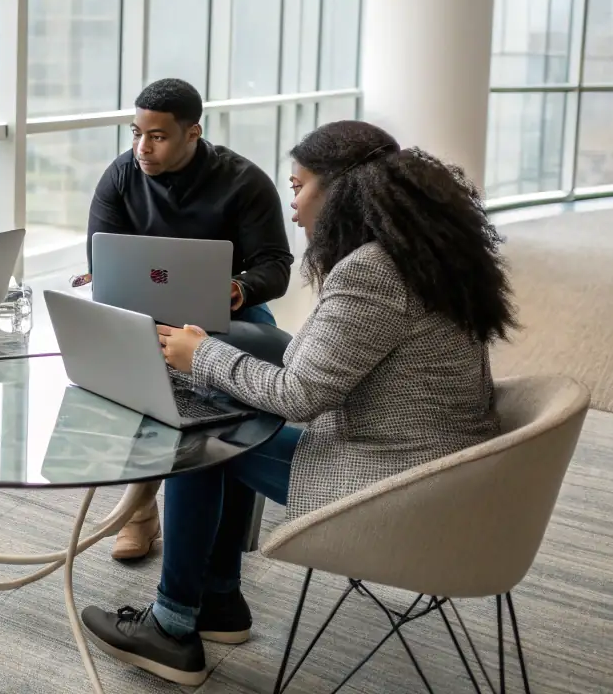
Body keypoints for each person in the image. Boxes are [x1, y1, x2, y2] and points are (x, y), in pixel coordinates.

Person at [80, 119, 515, 686]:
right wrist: (221, 354)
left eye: (298, 187)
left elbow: (300, 396)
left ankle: (172, 626)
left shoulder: (372, 273)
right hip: (446, 463)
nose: (292, 206)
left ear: (337, 193)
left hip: (399, 484)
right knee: (230, 415)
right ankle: (218, 603)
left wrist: (201, 356)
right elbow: (319, 367)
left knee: (200, 440)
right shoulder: (422, 256)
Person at [77, 78, 293, 561]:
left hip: (224, 312)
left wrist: (237, 287)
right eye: (136, 133)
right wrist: (103, 276)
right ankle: (140, 512)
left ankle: (221, 513)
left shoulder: (244, 181)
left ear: (193, 133)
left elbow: (276, 265)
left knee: (226, 400)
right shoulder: (121, 174)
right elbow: (102, 253)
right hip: (146, 311)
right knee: (129, 379)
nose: (141, 148)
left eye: (157, 136)